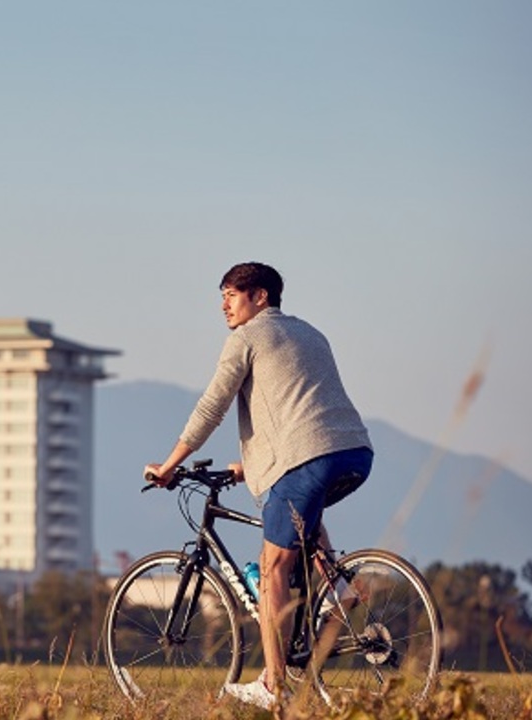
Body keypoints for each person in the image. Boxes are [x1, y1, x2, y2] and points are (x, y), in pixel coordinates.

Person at [144, 261, 374, 710]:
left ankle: (273, 685)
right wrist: (250, 465)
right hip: (353, 452)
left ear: (261, 296)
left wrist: (170, 465)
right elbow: (302, 410)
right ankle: (339, 588)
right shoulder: (310, 333)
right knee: (303, 521)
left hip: (306, 458)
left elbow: (212, 407)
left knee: (272, 568)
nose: (224, 306)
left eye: (232, 294)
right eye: (222, 296)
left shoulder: (247, 338)